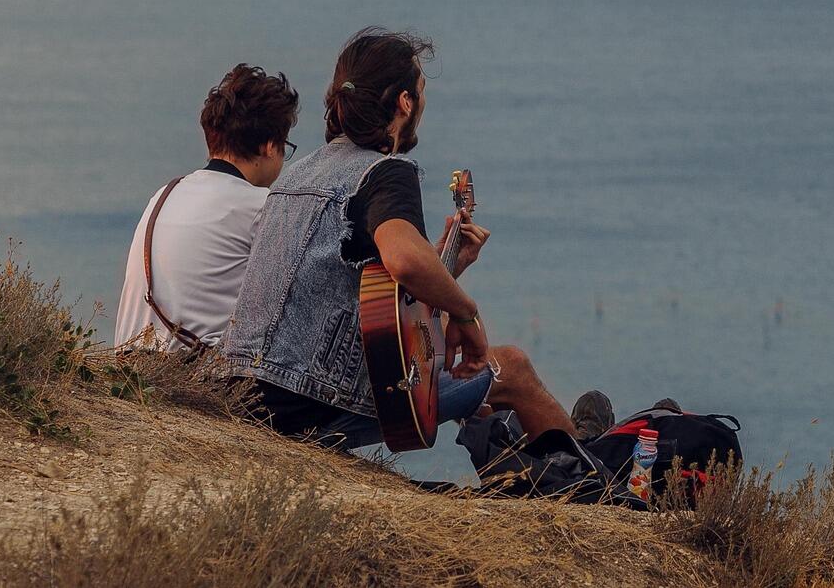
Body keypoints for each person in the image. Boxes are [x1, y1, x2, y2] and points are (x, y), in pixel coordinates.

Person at [221, 27, 574, 447]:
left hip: (240, 394)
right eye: (421, 92)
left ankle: (538, 466)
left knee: (467, 381)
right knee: (512, 368)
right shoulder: (384, 173)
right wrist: (464, 312)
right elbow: (405, 260)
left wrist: (447, 268)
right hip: (310, 405)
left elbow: (363, 293)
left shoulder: (293, 176)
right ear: (406, 102)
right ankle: (596, 481)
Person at [113, 64, 299, 352]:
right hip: (193, 382)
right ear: (270, 146)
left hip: (128, 367)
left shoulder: (165, 193)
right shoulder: (261, 207)